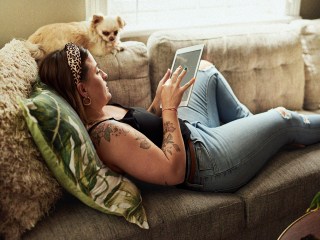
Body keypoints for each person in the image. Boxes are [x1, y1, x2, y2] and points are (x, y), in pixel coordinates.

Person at [39, 42, 320, 192]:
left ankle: (257, 136)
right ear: (82, 89)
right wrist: (171, 108)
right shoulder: (104, 137)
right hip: (206, 160)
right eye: (98, 71)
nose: (105, 74)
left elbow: (143, 130)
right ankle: (275, 134)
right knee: (284, 118)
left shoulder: (101, 112)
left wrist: (158, 102)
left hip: (190, 131)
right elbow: (171, 172)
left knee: (205, 71)